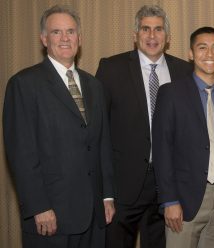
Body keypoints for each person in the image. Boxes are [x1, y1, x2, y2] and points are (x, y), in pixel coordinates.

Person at [3, 5, 114, 248]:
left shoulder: (94, 85)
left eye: (71, 32)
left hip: (95, 216)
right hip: (51, 217)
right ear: (44, 39)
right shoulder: (23, 84)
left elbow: (102, 144)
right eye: (56, 32)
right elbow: (21, 153)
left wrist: (107, 195)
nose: (65, 38)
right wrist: (39, 206)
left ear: (80, 38)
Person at [94, 5, 192, 248]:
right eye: (145, 29)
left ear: (167, 37)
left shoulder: (185, 71)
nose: (151, 36)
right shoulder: (111, 68)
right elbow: (98, 131)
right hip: (123, 186)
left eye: (158, 29)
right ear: (135, 34)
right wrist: (105, 190)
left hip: (168, 187)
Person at [152, 26, 214, 248]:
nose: (210, 54)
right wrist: (169, 200)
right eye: (202, 48)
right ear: (191, 53)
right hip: (183, 200)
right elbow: (162, 150)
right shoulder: (170, 93)